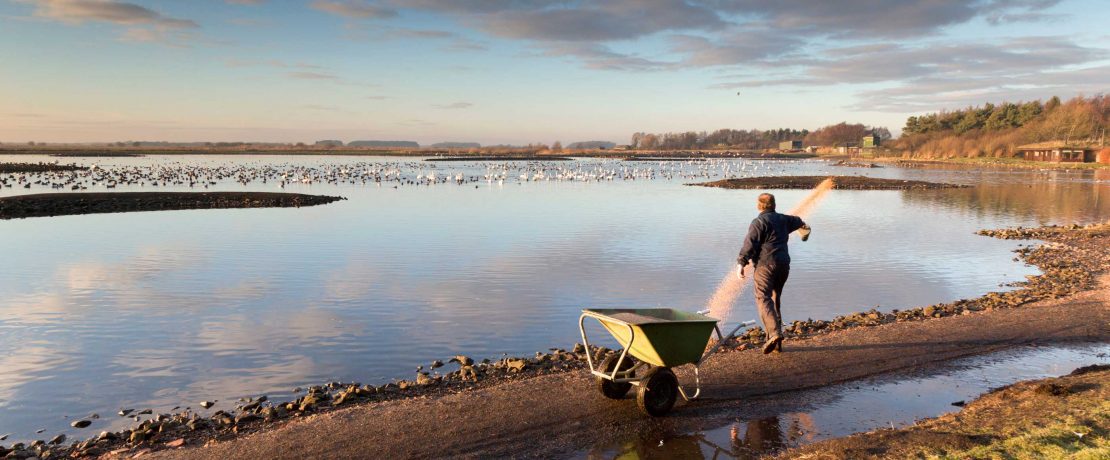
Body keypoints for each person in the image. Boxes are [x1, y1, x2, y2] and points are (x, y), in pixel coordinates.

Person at [736, 193, 810, 354]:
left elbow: (750, 244)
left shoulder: (758, 222)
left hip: (765, 266)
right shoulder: (784, 220)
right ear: (774, 205)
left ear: (759, 205)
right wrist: (805, 230)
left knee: (763, 297)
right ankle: (777, 343)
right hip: (783, 265)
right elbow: (799, 221)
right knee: (775, 299)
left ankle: (774, 333)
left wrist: (741, 263)